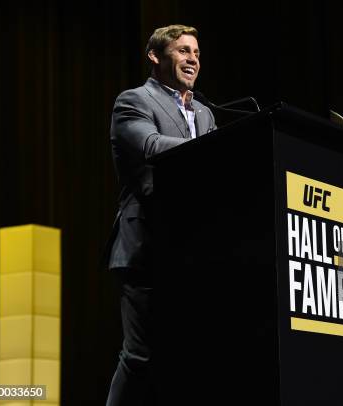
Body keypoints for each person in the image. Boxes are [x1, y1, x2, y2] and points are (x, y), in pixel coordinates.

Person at [104, 24, 216, 406]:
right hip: (145, 245)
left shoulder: (205, 113)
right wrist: (217, 147)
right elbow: (151, 146)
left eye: (197, 53)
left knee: (185, 357)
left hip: (191, 249)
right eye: (183, 50)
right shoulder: (133, 101)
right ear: (155, 56)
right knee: (140, 356)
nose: (192, 59)